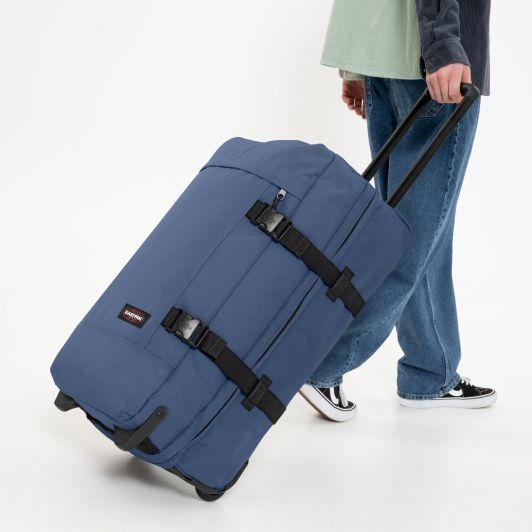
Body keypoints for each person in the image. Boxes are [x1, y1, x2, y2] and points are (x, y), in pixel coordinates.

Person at [299, 0, 496, 421]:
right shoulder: (441, 50)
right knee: (410, 239)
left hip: (384, 60)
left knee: (421, 231)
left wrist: (356, 66)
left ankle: (430, 371)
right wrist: (444, 45)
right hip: (434, 61)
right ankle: (321, 365)